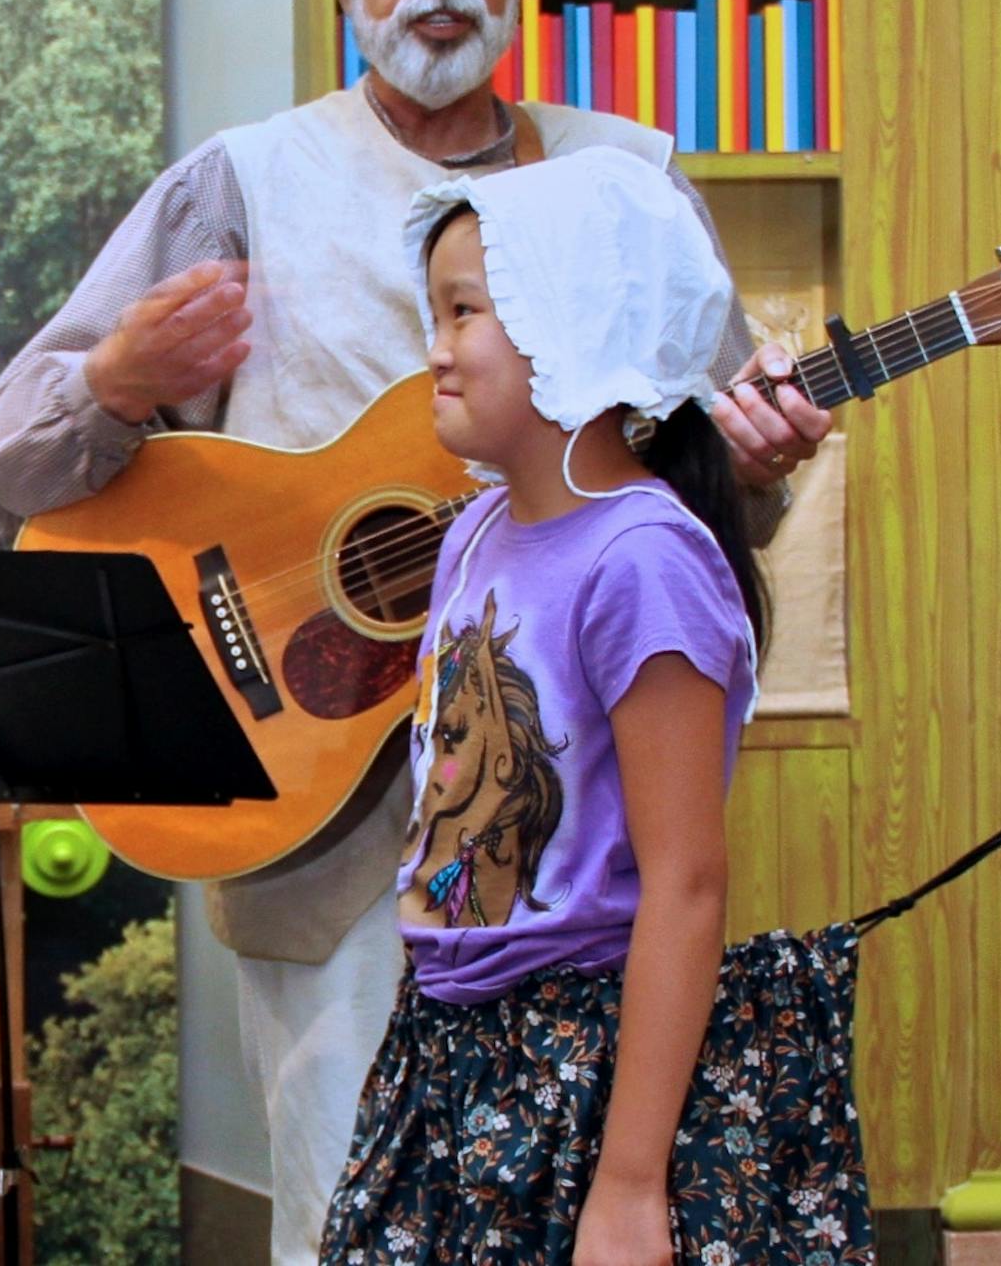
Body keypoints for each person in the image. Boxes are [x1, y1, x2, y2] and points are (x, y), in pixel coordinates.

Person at [0, 0, 833, 1263]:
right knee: (346, 1227)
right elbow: (7, 456)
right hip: (325, 805)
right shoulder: (242, 181)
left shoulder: (626, 178)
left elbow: (694, 494)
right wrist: (115, 381)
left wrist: (756, 466)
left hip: (576, 826)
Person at [319, 152, 869, 1264]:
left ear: (571, 318)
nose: (436, 349)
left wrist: (626, 1186)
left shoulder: (644, 560)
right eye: (437, 313)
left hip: (582, 1067)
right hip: (445, 1051)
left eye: (466, 311)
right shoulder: (473, 534)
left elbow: (687, 884)